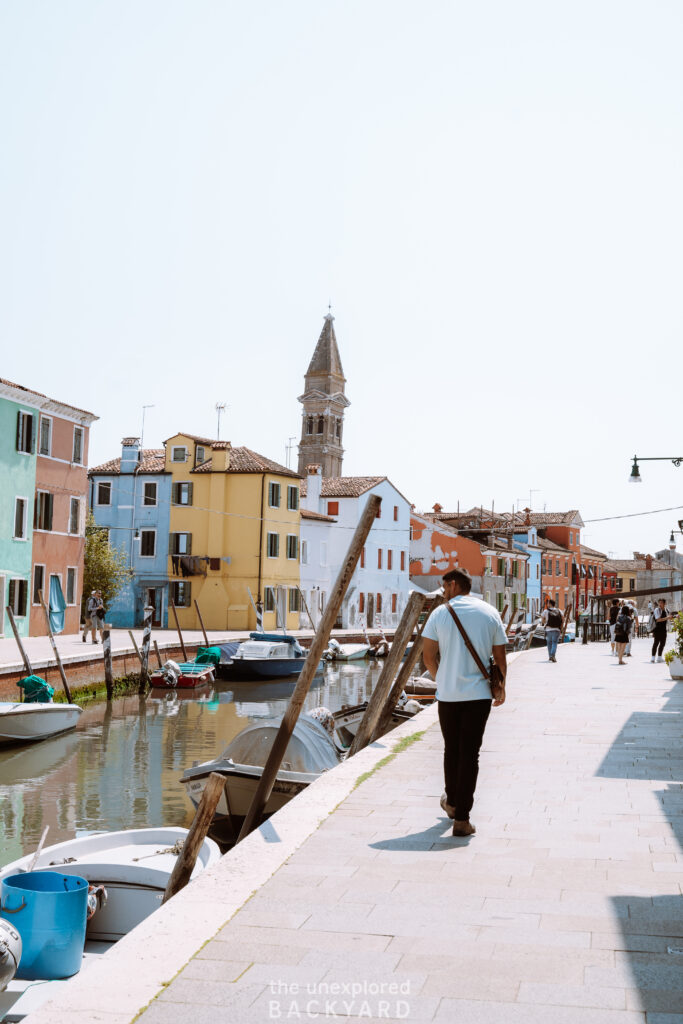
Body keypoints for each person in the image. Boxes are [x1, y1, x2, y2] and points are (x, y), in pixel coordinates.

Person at [422, 568, 507, 838]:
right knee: (470, 754)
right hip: (478, 695)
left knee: (451, 750)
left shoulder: (439, 614)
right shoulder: (489, 613)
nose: (443, 590)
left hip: (448, 697)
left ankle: (453, 802)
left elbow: (428, 657)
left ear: (455, 584)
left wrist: (443, 679)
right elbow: (500, 657)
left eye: (444, 586)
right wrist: (502, 688)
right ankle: (462, 819)